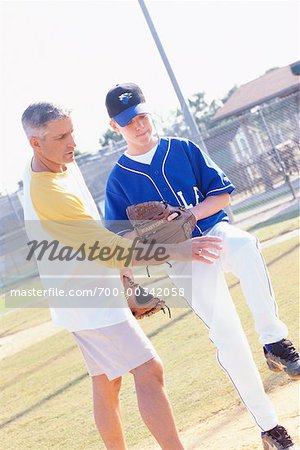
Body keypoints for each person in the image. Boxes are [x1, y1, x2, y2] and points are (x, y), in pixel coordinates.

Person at [104, 83, 299, 449]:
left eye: (143, 116)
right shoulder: (118, 180)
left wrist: (189, 215)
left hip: (213, 234)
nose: (140, 125)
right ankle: (270, 429)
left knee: (245, 245)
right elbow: (120, 241)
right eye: (130, 122)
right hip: (182, 261)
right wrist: (146, 257)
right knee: (230, 340)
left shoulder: (182, 149)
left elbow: (221, 194)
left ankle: (273, 340)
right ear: (115, 127)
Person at [21, 102, 224, 450]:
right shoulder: (48, 192)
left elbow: (97, 239)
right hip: (86, 300)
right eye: (60, 137)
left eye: (71, 132)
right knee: (149, 370)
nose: (72, 143)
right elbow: (108, 248)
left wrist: (121, 275)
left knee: (106, 381)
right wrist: (179, 250)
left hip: (86, 293)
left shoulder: (59, 164)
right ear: (35, 143)